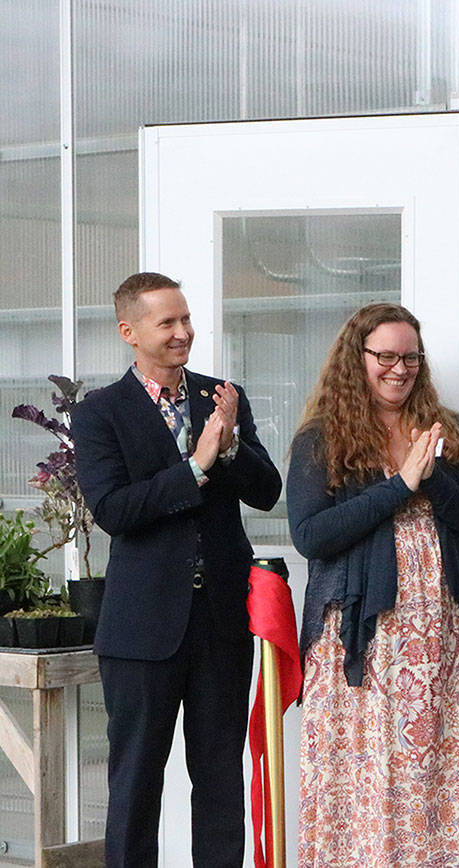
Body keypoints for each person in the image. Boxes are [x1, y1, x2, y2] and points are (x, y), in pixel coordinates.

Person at [72, 271, 282, 867]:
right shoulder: (100, 414)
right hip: (141, 630)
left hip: (220, 623)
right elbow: (115, 511)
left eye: (185, 319)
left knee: (219, 779)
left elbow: (268, 492)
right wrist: (195, 466)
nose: (182, 332)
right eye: (167, 322)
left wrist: (232, 441)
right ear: (128, 332)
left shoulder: (222, 396)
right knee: (135, 784)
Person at [288, 303, 459, 866]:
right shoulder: (321, 437)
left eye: (410, 357)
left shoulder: (449, 433)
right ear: (356, 358)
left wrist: (432, 483)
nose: (399, 369)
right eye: (385, 356)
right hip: (361, 649)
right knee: (367, 783)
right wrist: (400, 485)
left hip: (444, 649)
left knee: (443, 783)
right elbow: (311, 534)